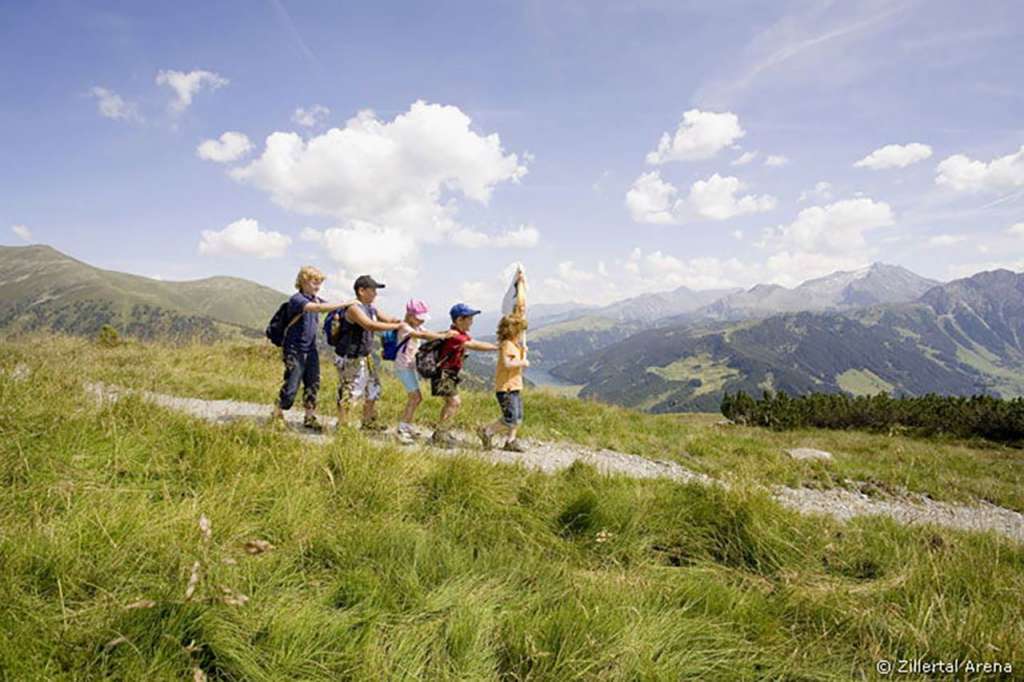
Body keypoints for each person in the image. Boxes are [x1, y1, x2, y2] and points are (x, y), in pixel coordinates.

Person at [272, 266, 355, 431]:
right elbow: (317, 309)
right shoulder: (298, 300)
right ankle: (277, 412)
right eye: (314, 282)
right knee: (291, 386)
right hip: (294, 350)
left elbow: (328, 305)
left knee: (313, 383)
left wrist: (346, 308)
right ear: (303, 281)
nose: (317, 286)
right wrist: (347, 302)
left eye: (319, 283)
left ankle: (309, 417)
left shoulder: (315, 299)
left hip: (310, 350)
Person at [331, 274, 402, 431]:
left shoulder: (371, 307)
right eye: (373, 290)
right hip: (350, 356)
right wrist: (396, 327)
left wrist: (401, 322)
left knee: (373, 387)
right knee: (350, 390)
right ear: (361, 291)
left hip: (364, 355)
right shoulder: (353, 308)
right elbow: (370, 325)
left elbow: (388, 320)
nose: (376, 294)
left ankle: (368, 422)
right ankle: (342, 425)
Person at [429, 302, 500, 448]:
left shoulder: (460, 334)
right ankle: (441, 433)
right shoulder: (455, 336)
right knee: (454, 402)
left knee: (451, 402)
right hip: (444, 373)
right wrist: (497, 347)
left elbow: (472, 342)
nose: (472, 321)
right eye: (469, 318)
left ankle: (442, 432)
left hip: (448, 373)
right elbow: (474, 345)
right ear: (459, 320)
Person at [394, 300, 456, 443]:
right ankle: (402, 430)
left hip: (409, 367)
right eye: (418, 317)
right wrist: (443, 336)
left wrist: (445, 333)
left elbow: (428, 333)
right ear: (410, 315)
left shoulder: (417, 326)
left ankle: (406, 426)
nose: (421, 320)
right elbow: (421, 336)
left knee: (416, 398)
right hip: (403, 367)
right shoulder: (404, 327)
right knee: (415, 397)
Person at [477, 313, 530, 452]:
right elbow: (508, 364)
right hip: (506, 388)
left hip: (515, 386)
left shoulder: (514, 345)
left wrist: (523, 353)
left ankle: (510, 441)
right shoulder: (507, 345)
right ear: (513, 331)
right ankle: (487, 431)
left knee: (518, 417)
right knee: (510, 418)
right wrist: (522, 362)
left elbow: (514, 362)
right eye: (520, 331)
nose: (521, 334)